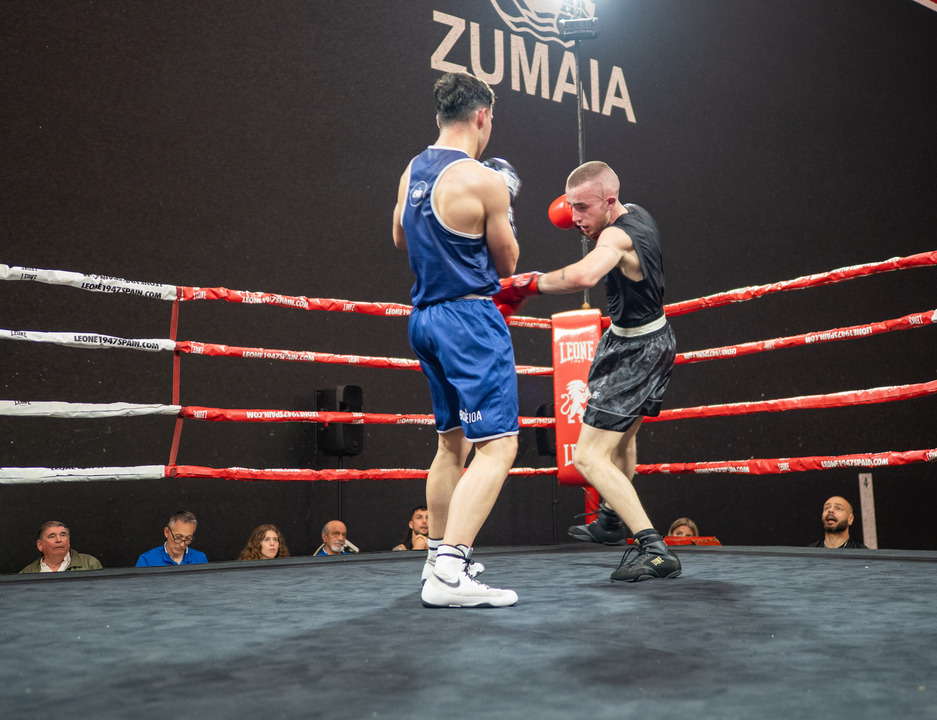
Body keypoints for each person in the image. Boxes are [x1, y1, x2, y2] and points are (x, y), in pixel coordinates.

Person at [494, 160, 680, 582]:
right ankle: (611, 521)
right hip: (646, 339)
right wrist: (586, 212)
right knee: (621, 442)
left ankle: (655, 550)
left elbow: (584, 275)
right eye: (570, 206)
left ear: (610, 202)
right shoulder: (636, 213)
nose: (574, 217)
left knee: (588, 456)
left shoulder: (616, 236)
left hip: (636, 352)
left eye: (582, 207)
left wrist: (526, 284)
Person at [392, 71, 520, 608]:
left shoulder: (413, 168)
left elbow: (400, 236)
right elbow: (508, 263)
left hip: (424, 319)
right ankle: (450, 571)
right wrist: (502, 211)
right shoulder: (483, 181)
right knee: (499, 445)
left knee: (450, 443)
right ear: (482, 116)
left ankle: (434, 561)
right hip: (468, 320)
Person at [19, 521, 103, 573]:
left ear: (68, 541)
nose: (59, 540)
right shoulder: (27, 573)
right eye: (52, 536)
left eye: (63, 535)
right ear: (40, 545)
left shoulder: (89, 564)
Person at [136, 510, 208, 567]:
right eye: (178, 537)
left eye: (188, 538)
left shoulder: (200, 558)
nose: (182, 545)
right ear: (166, 532)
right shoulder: (147, 560)